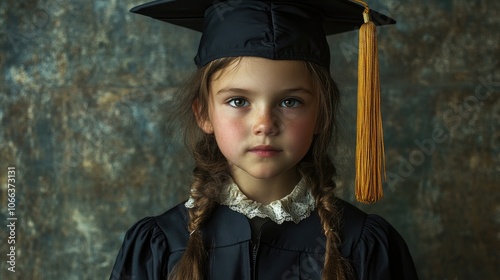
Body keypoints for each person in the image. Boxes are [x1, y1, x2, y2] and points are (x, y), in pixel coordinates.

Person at [110, 0, 419, 279]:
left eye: (290, 102)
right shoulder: (161, 245)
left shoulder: (363, 245)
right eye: (238, 101)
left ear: (321, 114)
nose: (265, 125)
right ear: (204, 114)